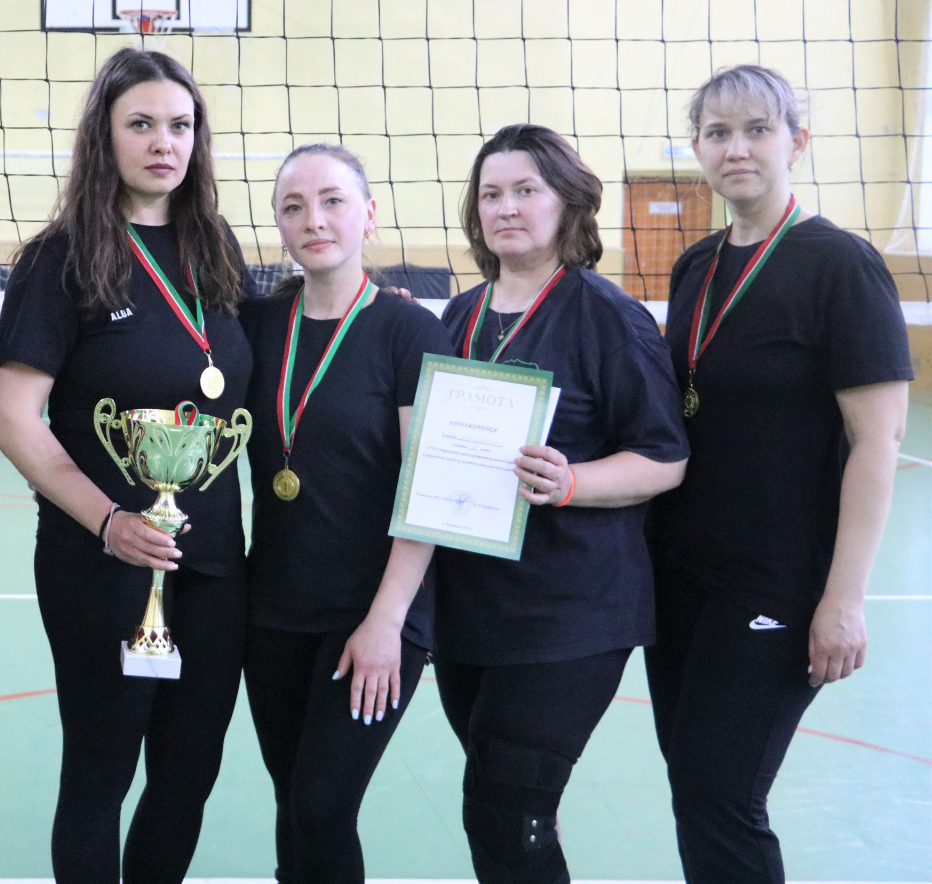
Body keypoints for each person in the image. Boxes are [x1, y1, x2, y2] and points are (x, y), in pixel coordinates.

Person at [645, 65, 911, 883]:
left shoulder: (842, 267)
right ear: (698, 148)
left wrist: (844, 600)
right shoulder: (695, 265)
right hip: (681, 579)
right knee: (695, 787)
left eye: (757, 129)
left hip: (777, 584)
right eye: (718, 133)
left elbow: (878, 442)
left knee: (722, 794)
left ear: (796, 142)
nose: (737, 148)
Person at [0, 47, 251, 882]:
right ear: (104, 138)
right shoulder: (61, 259)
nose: (163, 142)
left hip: (212, 563)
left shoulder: (216, 248)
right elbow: (14, 419)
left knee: (187, 774)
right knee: (101, 774)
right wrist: (109, 521)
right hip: (99, 564)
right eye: (140, 124)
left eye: (180, 125)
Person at [432, 124, 690, 883]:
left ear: (568, 203)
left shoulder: (608, 316)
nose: (506, 208)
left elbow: (665, 458)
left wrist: (571, 482)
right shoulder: (460, 315)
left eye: (526, 190)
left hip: (570, 613)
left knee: (508, 814)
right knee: (504, 812)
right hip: (471, 609)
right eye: (491, 194)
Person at [239, 143, 449, 883]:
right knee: (292, 804)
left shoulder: (409, 331)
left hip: (373, 613)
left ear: (369, 215)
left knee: (324, 807)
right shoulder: (257, 324)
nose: (314, 220)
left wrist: (386, 623)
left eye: (333, 201)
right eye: (293, 207)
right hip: (272, 610)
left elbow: (426, 488)